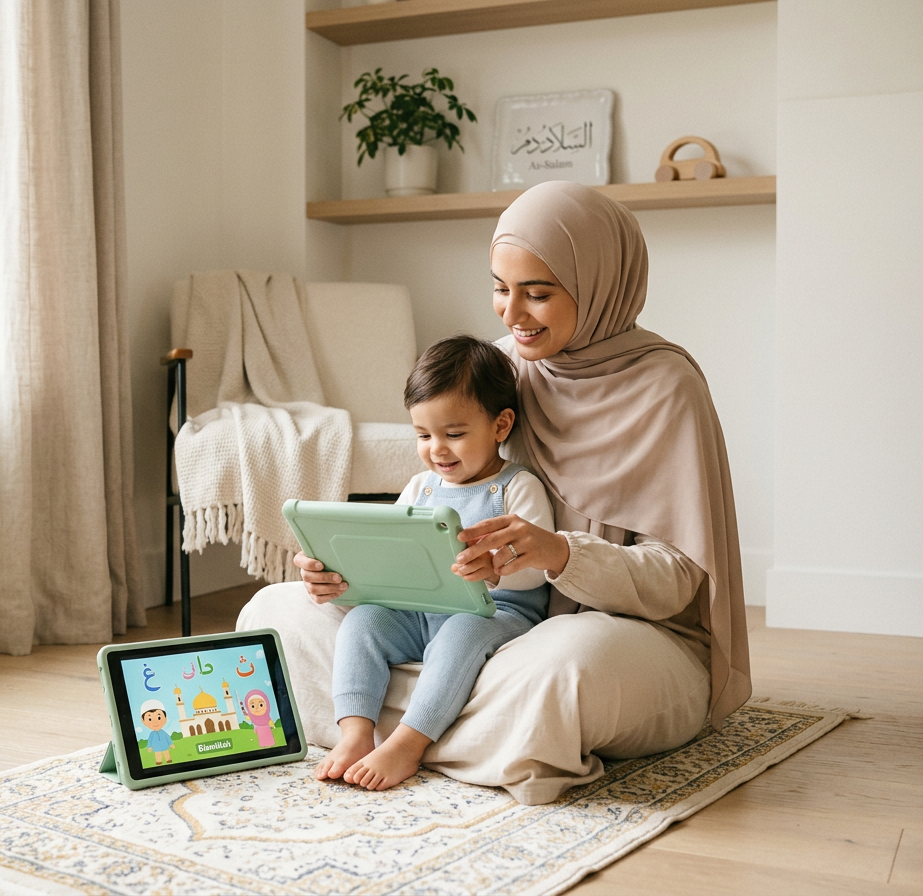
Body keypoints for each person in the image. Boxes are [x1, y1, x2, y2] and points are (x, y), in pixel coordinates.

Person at [237, 180, 752, 806]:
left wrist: (558, 554)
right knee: (274, 613)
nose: (511, 314)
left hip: (610, 630)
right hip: (456, 620)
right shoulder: (500, 369)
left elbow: (678, 586)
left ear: (597, 285)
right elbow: (430, 498)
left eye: (537, 293)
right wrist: (346, 574)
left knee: (565, 671)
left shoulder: (666, 387)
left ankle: (411, 725)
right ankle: (436, 733)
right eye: (501, 288)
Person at [314, 335, 554, 791]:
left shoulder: (516, 487)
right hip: (421, 610)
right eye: (423, 435)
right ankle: (356, 732)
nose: (437, 450)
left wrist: (501, 566)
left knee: (461, 633)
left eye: (454, 434)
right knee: (364, 622)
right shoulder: (421, 487)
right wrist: (341, 570)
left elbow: (537, 571)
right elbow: (391, 551)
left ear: (501, 425)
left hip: (495, 611)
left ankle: (408, 742)